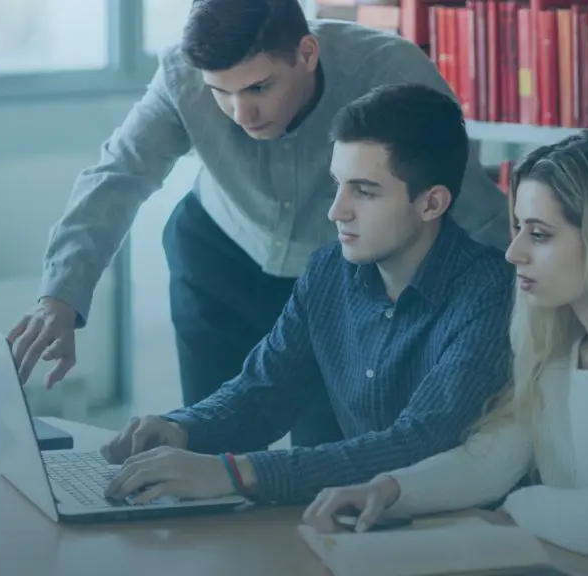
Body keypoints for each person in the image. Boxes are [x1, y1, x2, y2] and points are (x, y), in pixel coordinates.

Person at [5, 0, 510, 449]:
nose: (240, 112)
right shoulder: (182, 75)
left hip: (333, 281)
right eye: (220, 93)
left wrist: (529, 304)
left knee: (321, 453)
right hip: (217, 259)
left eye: (259, 87)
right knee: (201, 438)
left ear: (307, 53)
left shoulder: (390, 70)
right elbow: (119, 174)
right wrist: (61, 295)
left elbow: (464, 197)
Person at [302, 129, 588, 569]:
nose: (514, 253)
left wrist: (517, 503)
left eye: (540, 235)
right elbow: (488, 463)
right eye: (519, 228)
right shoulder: (559, 353)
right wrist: (385, 490)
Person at [97, 82, 514, 507]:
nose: (337, 210)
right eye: (338, 184)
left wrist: (234, 473)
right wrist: (181, 429)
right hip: (361, 526)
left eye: (364, 191)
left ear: (431, 204)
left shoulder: (489, 295)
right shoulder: (329, 271)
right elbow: (264, 391)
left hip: (459, 535)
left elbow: (416, 445)